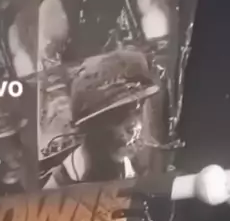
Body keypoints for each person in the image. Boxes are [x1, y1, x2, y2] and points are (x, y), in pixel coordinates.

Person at [43, 49, 159, 186]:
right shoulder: (65, 182)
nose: (135, 124)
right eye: (119, 115)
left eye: (137, 109)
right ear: (96, 127)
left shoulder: (136, 166)